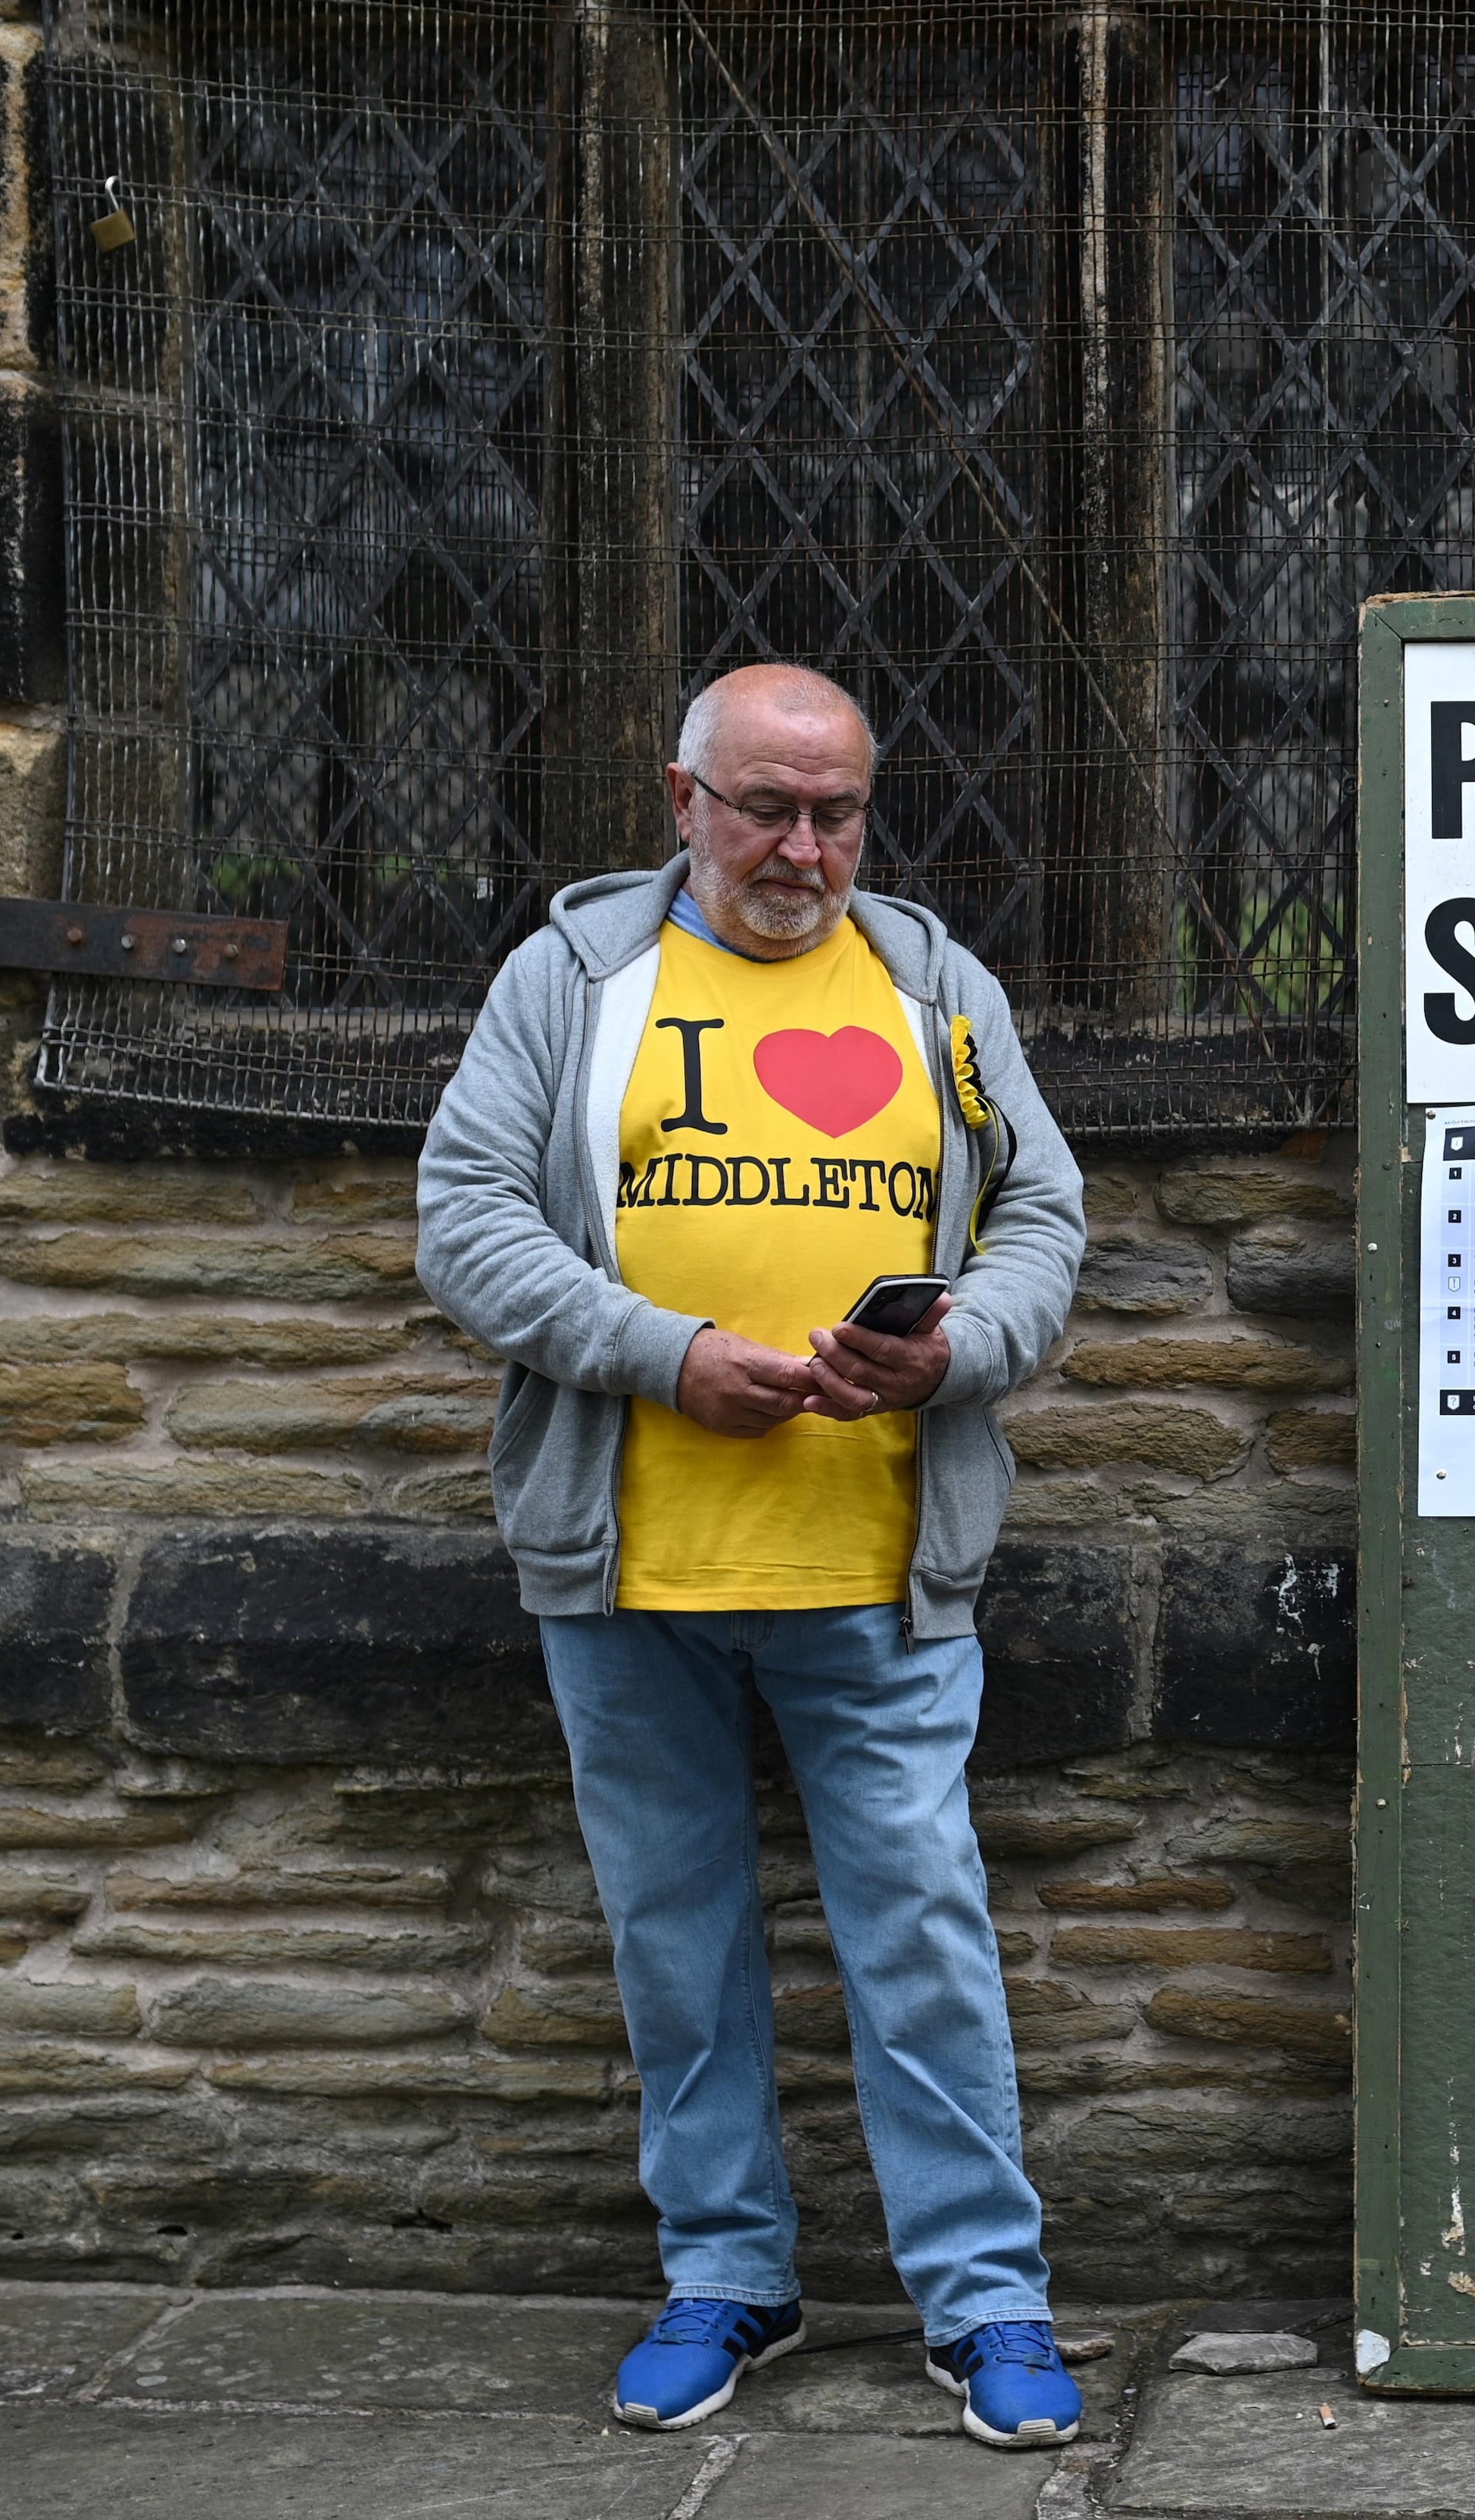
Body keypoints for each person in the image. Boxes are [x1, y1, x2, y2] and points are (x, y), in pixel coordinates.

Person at [416, 664, 1090, 2448]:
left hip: (880, 1567)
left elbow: (1041, 1212)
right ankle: (727, 2269)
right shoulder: (570, 982)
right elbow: (465, 1215)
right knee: (674, 1938)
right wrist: (669, 1353)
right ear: (682, 797)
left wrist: (956, 1351)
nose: (806, 847)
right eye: (769, 807)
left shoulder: (938, 984)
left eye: (840, 811)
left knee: (922, 1933)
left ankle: (988, 2297)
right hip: (629, 1564)